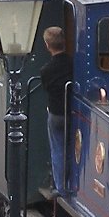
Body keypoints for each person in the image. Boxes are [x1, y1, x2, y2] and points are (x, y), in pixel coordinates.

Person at [40, 26, 72, 194]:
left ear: (47, 45)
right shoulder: (72, 64)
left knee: (57, 148)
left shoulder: (46, 70)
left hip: (55, 113)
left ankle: (60, 186)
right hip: (73, 112)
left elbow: (46, 88)